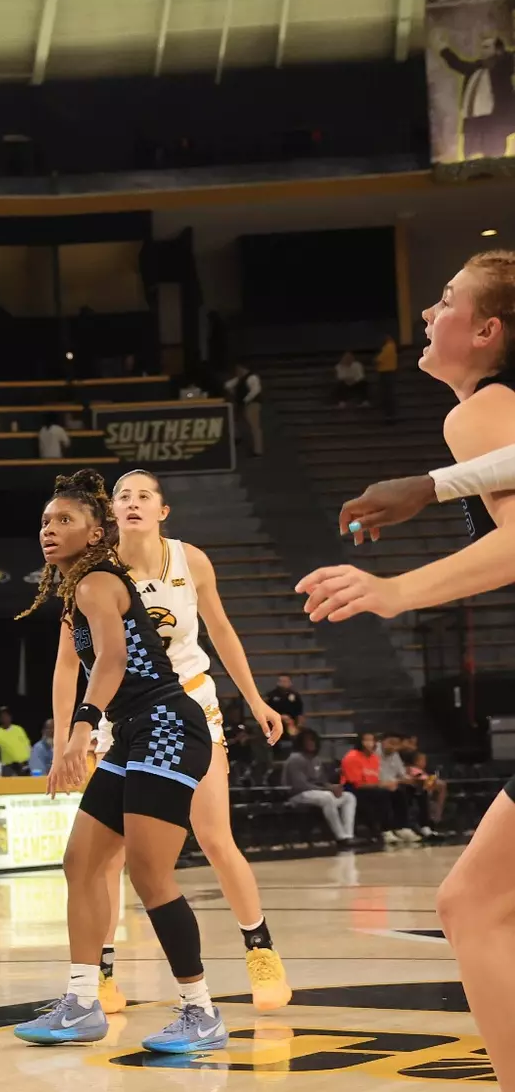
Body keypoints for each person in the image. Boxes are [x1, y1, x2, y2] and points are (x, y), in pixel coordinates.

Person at [301, 250, 515, 1087]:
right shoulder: (484, 418)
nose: (428, 313)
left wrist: (390, 592)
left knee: (471, 905)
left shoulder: (484, 408)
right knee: (473, 903)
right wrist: (427, 487)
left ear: (486, 330)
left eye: (447, 300)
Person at [14, 470, 223, 1054]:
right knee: (80, 862)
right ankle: (82, 1002)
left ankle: (200, 1011)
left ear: (96, 530)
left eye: (64, 521)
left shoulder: (97, 582)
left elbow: (108, 661)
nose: (50, 530)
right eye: (45, 522)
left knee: (150, 874)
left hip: (167, 727)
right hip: (135, 731)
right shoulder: (79, 583)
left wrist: (80, 728)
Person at [91, 469, 290, 1015]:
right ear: (111, 511)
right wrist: (76, 725)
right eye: (123, 496)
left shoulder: (190, 560)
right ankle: (103, 972)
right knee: (109, 856)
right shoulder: (96, 569)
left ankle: (261, 951)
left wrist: (254, 700)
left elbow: (220, 630)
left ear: (162, 510)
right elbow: (73, 656)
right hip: (124, 714)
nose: (132, 503)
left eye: (143, 496)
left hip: (189, 706)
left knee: (214, 835)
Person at [280, 730, 357, 847]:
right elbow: (300, 785)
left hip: (317, 795)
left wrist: (332, 787)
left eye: (313, 740)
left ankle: (348, 835)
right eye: (308, 740)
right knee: (327, 797)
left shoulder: (316, 759)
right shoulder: (295, 758)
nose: (311, 743)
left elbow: (322, 781)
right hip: (296, 796)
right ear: (301, 742)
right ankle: (340, 837)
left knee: (348, 797)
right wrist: (328, 790)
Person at [339, 732, 415, 843]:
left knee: (398, 792)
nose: (369, 744)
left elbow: (375, 780)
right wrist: (382, 785)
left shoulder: (374, 758)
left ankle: (401, 827)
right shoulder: (352, 757)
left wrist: (388, 785)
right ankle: (385, 830)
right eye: (366, 740)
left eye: (371, 741)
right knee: (382, 793)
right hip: (353, 790)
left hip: (371, 788)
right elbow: (357, 784)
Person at [224, 361, 264, 458]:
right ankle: (237, 437)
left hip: (252, 404)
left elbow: (255, 390)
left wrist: (245, 399)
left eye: (238, 369)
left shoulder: (252, 377)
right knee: (235, 419)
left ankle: (258, 449)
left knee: (254, 426)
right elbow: (227, 385)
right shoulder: (239, 379)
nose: (237, 371)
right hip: (242, 403)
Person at [0, 707, 33, 775]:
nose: (5, 718)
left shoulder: (19, 729)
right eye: (3, 716)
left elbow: (28, 745)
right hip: (8, 768)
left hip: (25, 765)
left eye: (7, 715)